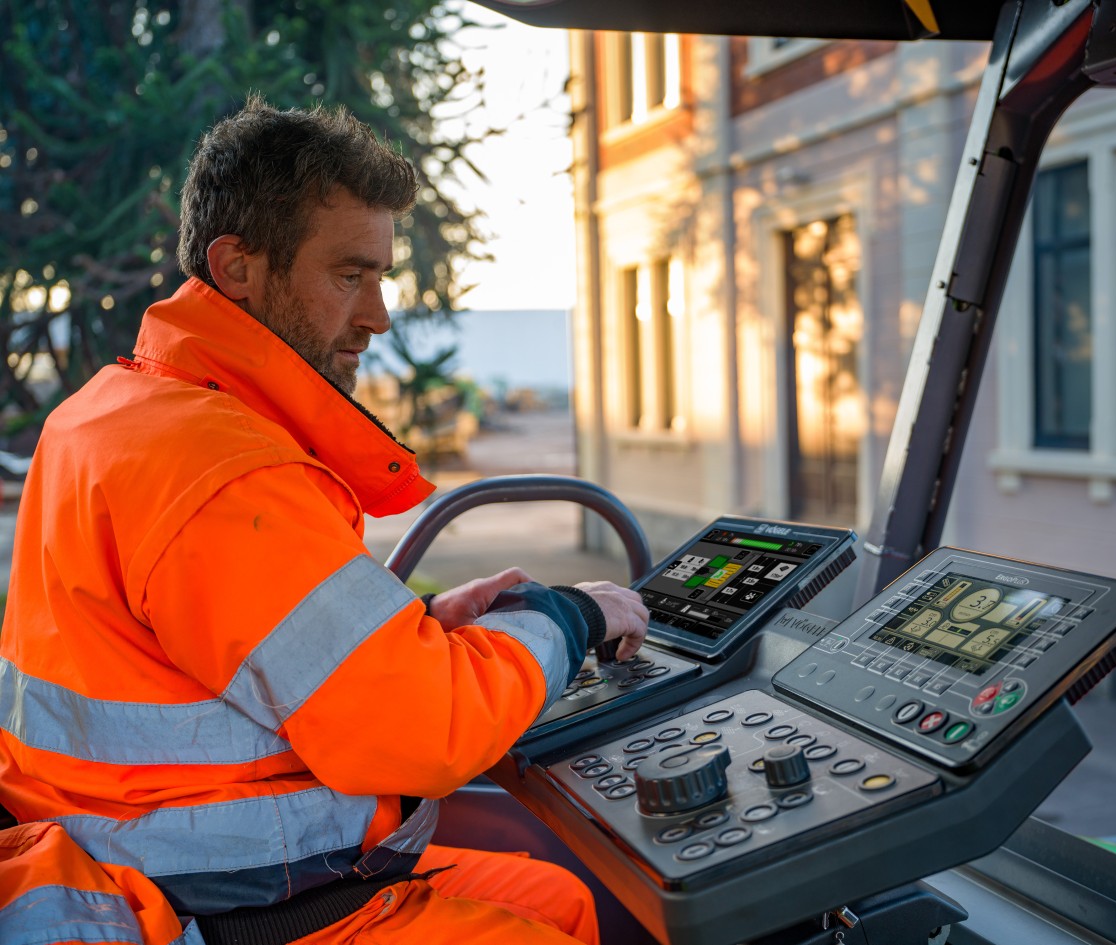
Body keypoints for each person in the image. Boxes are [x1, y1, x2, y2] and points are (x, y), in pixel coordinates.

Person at [0, 97, 648, 945]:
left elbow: (217, 647)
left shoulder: (110, 411)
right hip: (225, 905)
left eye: (381, 277)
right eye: (351, 275)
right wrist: (572, 615)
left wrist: (414, 629)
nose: (377, 316)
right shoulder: (221, 465)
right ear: (236, 266)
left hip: (143, 852)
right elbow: (427, 731)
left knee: (560, 897)